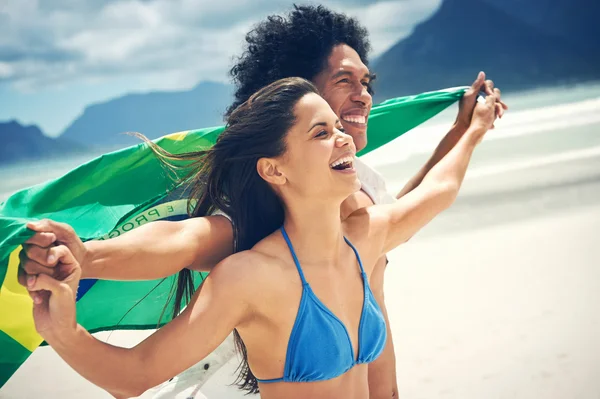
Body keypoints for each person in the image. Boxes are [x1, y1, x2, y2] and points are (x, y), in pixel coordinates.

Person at [20, 5, 506, 398]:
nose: (362, 98)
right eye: (343, 85)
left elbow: (430, 194)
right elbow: (184, 240)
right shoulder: (255, 237)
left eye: (367, 84)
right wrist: (87, 257)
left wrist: (468, 130)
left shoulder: (363, 210)